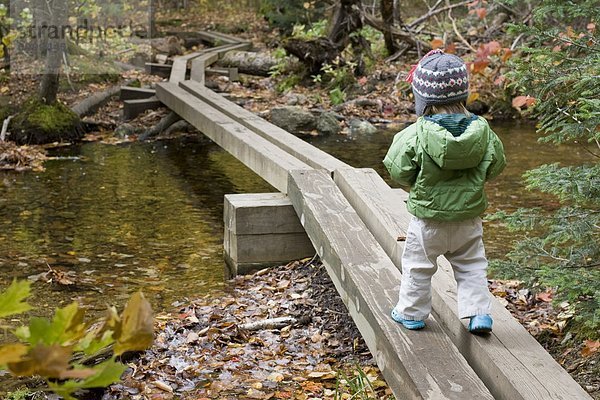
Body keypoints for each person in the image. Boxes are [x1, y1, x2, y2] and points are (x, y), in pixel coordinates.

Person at [383, 49, 506, 334]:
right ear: (463, 94)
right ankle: (478, 314)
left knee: (418, 266)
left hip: (428, 221)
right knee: (472, 266)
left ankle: (411, 313)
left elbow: (398, 168)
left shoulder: (415, 133)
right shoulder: (484, 131)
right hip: (468, 220)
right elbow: (496, 166)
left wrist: (416, 180)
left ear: (424, 99)